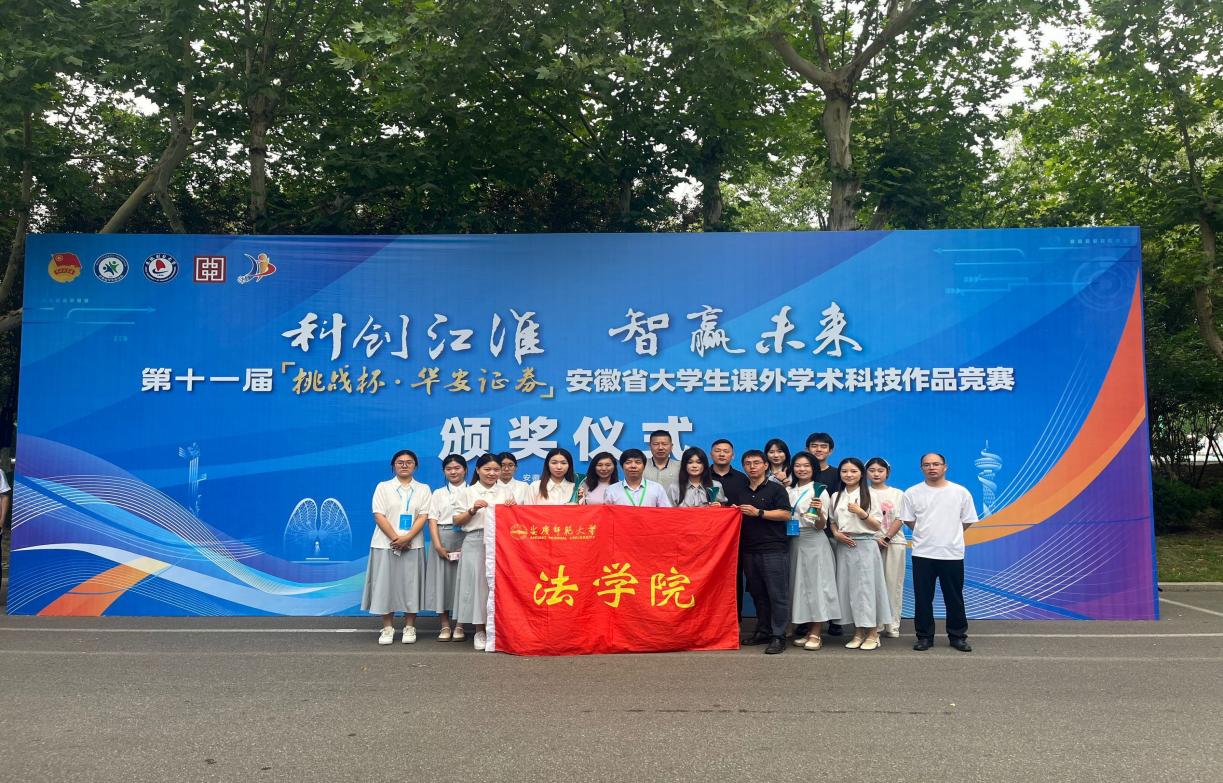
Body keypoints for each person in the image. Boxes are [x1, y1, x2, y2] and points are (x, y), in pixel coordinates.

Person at [900, 453, 978, 652]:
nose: (931, 468)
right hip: (923, 553)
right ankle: (924, 637)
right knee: (923, 598)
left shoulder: (960, 492)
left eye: (936, 464)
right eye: (927, 465)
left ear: (945, 467)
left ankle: (957, 636)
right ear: (921, 468)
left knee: (954, 597)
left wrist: (950, 534)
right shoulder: (912, 492)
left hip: (951, 553)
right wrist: (925, 532)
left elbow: (968, 520)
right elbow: (908, 519)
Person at [362, 450, 433, 645]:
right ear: (393, 465)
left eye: (409, 462)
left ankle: (410, 626)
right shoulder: (383, 487)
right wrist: (396, 538)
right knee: (386, 585)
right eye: (400, 462)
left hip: (413, 544)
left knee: (411, 585)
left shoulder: (423, 489)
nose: (404, 465)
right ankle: (387, 627)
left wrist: (408, 537)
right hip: (385, 544)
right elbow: (378, 515)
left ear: (415, 466)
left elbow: (424, 516)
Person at [823, 457, 889, 651]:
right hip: (844, 546)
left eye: (853, 471)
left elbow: (877, 526)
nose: (849, 475)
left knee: (867, 591)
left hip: (865, 546)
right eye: (844, 471)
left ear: (861, 474)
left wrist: (861, 513)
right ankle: (858, 632)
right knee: (849, 591)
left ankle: (873, 633)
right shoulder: (836, 496)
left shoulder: (871, 495)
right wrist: (836, 534)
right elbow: (832, 521)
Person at [454, 453, 517, 651]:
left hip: (502, 542)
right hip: (475, 541)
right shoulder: (468, 492)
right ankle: (480, 630)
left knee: (500, 584)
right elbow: (457, 520)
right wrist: (472, 510)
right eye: (487, 469)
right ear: (477, 470)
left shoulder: (506, 491)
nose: (492, 473)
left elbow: (515, 521)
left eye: (496, 469)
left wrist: (512, 509)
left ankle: (499, 628)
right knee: (478, 586)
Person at [737, 450, 793, 655]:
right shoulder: (741, 490)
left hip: (773, 549)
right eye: (748, 463)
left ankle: (779, 635)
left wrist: (759, 512)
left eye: (756, 463)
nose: (752, 467)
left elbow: (786, 514)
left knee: (777, 594)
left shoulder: (776, 489)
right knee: (758, 593)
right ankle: (763, 630)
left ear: (766, 466)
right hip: (749, 549)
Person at [787, 452, 840, 650]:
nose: (802, 469)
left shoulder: (819, 490)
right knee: (801, 587)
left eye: (806, 466)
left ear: (813, 468)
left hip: (814, 542)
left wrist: (817, 513)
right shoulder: (789, 490)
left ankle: (817, 633)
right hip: (794, 542)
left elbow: (821, 525)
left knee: (817, 586)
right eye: (798, 465)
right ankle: (808, 630)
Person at [424, 454, 468, 641]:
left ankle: (459, 625)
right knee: (441, 583)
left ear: (465, 470)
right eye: (449, 469)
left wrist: (468, 545)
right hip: (442, 537)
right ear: (444, 471)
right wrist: (437, 545)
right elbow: (432, 520)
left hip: (466, 537)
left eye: (457, 468)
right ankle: (444, 625)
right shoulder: (438, 493)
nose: (453, 472)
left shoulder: (473, 491)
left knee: (463, 583)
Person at [806, 431, 844, 636]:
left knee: (833, 579)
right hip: (808, 535)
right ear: (807, 449)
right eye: (814, 446)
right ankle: (808, 619)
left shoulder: (838, 474)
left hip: (832, 533)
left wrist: (836, 530)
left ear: (831, 450)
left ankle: (835, 620)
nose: (818, 449)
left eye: (823, 446)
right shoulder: (801, 472)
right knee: (810, 580)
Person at [866, 457, 906, 639]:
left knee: (893, 583)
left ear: (887, 473)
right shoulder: (863, 493)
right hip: (869, 544)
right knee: (872, 586)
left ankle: (892, 625)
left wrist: (887, 537)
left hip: (894, 542)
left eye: (880, 470)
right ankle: (875, 625)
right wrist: (874, 539)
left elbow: (900, 517)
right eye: (872, 470)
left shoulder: (898, 494)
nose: (876, 474)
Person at [604, 449, 673, 507]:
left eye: (638, 462)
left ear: (644, 466)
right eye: (628, 462)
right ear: (622, 466)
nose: (633, 466)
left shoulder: (657, 488)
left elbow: (666, 513)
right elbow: (607, 515)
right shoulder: (611, 490)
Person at [709, 438, 749, 505]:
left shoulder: (742, 478)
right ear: (711, 455)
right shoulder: (702, 476)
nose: (722, 454)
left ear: (733, 456)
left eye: (726, 451)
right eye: (717, 451)